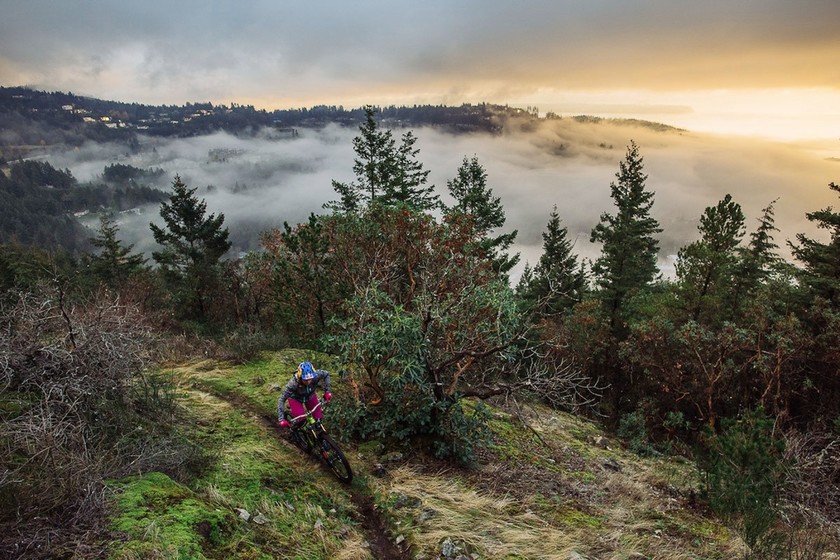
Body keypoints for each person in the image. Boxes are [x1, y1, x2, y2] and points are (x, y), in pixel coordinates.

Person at [277, 361, 332, 429]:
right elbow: (281, 399)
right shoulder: (293, 384)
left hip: (310, 396)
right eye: (305, 380)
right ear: (300, 377)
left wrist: (327, 391)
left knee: (318, 418)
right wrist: (281, 419)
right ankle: (294, 430)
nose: (308, 382)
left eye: (310, 379)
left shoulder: (316, 375)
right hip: (296, 399)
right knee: (301, 421)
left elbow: (326, 374)